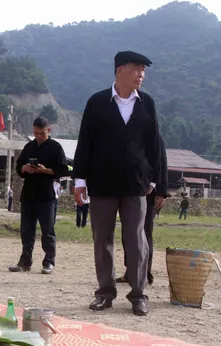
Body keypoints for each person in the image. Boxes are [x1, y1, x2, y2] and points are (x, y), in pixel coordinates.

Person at [73, 51, 164, 316]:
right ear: (120, 71)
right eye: (136, 69)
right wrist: (80, 180)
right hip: (101, 183)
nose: (141, 75)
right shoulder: (97, 102)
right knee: (102, 239)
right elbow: (85, 143)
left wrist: (154, 179)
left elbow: (154, 145)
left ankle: (138, 294)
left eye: (143, 71)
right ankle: (105, 292)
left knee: (137, 239)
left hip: (136, 184)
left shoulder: (147, 103)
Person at [9, 116, 69, 275]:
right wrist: (24, 169)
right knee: (26, 231)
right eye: (35, 133)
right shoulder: (29, 146)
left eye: (41, 133)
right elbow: (18, 168)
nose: (38, 136)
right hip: (28, 195)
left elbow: (64, 170)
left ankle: (49, 262)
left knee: (47, 231)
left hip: (46, 195)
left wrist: (45, 170)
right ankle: (25, 262)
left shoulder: (56, 148)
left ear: (48, 130)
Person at [117, 135, 169, 286]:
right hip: (128, 189)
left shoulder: (154, 137)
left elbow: (161, 163)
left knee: (143, 232)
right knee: (127, 233)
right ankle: (130, 271)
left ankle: (145, 273)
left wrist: (161, 191)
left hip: (147, 191)